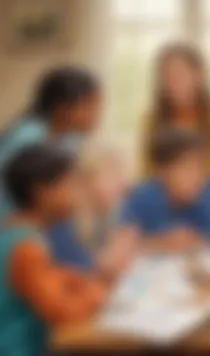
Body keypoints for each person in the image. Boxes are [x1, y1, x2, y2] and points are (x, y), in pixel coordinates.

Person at [0, 144, 106, 355]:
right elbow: (63, 312)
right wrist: (96, 295)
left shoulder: (17, 228)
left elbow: (59, 278)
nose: (77, 194)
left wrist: (83, 283)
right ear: (42, 192)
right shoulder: (26, 246)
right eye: (69, 184)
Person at [0, 66, 102, 221]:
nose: (96, 115)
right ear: (61, 107)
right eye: (89, 106)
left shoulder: (69, 138)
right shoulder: (27, 138)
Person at [120, 129, 210, 252]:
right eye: (187, 169)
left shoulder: (208, 195)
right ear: (162, 172)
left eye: (201, 168)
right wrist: (162, 242)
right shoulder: (142, 198)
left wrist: (195, 241)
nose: (197, 177)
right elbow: (123, 243)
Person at [141, 42, 210, 177]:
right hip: (165, 185)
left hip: (208, 181)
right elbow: (145, 164)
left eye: (182, 74)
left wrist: (193, 170)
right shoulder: (152, 116)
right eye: (167, 76)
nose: (175, 81)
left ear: (198, 75)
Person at [47, 139, 136, 280]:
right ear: (86, 178)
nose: (122, 182)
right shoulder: (64, 217)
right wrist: (105, 264)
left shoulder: (111, 209)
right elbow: (78, 273)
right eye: (113, 174)